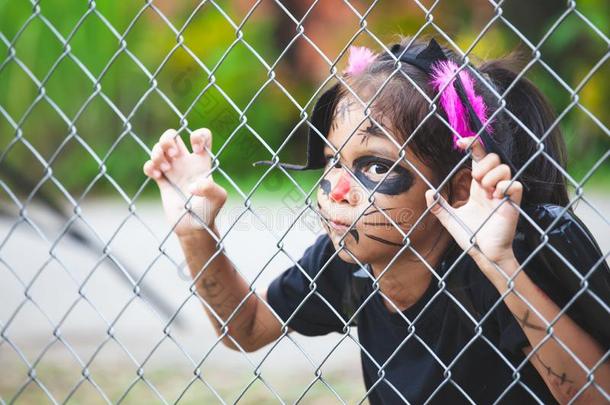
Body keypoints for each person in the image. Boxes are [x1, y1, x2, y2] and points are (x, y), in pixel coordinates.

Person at [142, 36, 609, 404]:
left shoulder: (501, 266)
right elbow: (245, 327)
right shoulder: (349, 259)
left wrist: (501, 264)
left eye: (376, 166)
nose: (338, 191)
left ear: (458, 188)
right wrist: (195, 231)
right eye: (333, 161)